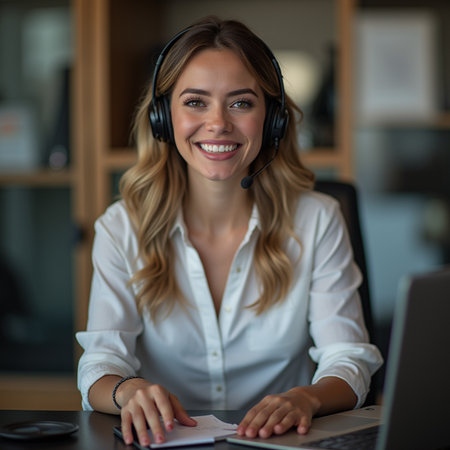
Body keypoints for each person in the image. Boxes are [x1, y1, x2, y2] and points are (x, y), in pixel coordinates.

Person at [76, 16, 383, 448]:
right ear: (163, 118)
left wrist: (306, 398)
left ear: (272, 119)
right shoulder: (122, 227)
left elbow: (348, 358)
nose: (218, 123)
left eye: (241, 103)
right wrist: (127, 390)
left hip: (285, 442)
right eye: (196, 102)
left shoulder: (318, 219)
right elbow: (100, 364)